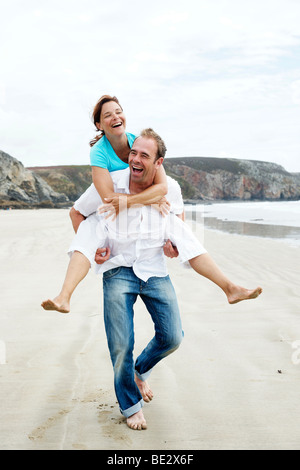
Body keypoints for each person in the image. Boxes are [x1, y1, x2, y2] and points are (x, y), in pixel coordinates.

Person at [62, 129, 262, 430]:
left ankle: (140, 370)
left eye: (144, 155)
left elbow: (178, 228)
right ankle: (130, 405)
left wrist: (173, 249)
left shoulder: (171, 189)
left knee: (172, 337)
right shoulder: (110, 185)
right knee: (121, 345)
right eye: (133, 153)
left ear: (159, 162)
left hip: (154, 269)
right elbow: (77, 213)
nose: (135, 159)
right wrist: (95, 250)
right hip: (118, 269)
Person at [41, 95, 262, 313]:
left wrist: (168, 234)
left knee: (179, 229)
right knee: (90, 229)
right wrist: (99, 246)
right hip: (112, 201)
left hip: (139, 200)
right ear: (99, 125)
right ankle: (64, 296)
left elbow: (164, 189)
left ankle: (230, 288)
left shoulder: (138, 142)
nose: (115, 117)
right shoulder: (100, 154)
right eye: (108, 115)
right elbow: (111, 199)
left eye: (119, 111)